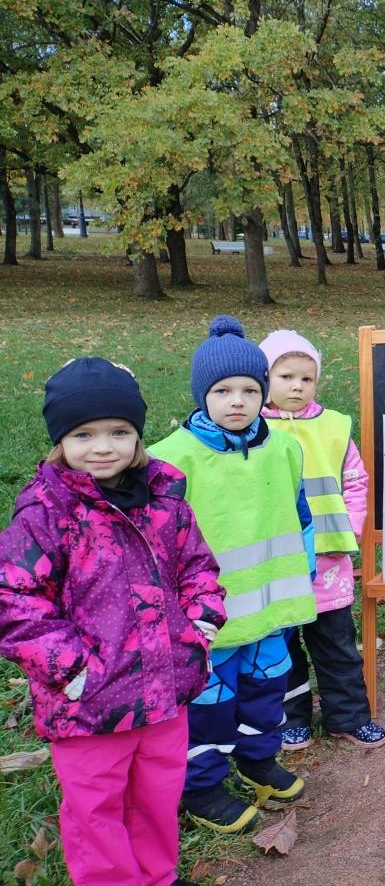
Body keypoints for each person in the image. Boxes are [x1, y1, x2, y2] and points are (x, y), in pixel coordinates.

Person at [0, 359, 225, 886]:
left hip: (165, 688)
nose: (103, 446)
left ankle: (157, 876)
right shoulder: (45, 513)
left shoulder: (165, 502)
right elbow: (14, 597)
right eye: (84, 434)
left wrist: (202, 619)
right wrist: (71, 668)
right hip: (87, 703)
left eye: (119, 432)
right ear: (61, 439)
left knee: (156, 796)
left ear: (138, 435)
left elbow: (197, 566)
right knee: (95, 809)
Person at [150, 316, 317, 833]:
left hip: (272, 610)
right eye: (223, 391)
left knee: (266, 692)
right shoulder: (170, 460)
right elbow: (156, 545)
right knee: (209, 704)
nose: (238, 401)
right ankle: (201, 786)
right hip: (210, 622)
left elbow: (301, 517)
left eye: (249, 389)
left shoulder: (285, 448)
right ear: (203, 395)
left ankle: (258, 760)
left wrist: (306, 573)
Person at [258, 330, 385, 749]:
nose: (296, 386)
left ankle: (347, 716)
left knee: (336, 645)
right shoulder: (254, 431)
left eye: (307, 379)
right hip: (277, 564)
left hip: (328, 561)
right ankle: (290, 717)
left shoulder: (333, 427)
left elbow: (355, 480)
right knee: (283, 648)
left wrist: (350, 526)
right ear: (265, 378)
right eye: (286, 376)